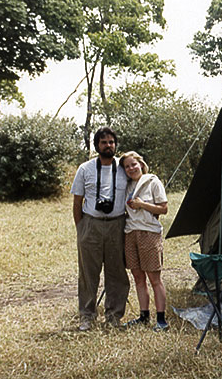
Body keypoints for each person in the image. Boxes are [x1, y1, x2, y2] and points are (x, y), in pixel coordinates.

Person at [71, 127, 130, 331]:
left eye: (112, 142)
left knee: (117, 272)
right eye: (104, 142)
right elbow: (77, 201)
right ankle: (86, 315)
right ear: (97, 145)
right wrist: (82, 229)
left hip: (117, 224)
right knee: (88, 273)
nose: (108, 145)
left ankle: (114, 316)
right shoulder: (85, 169)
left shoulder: (124, 168)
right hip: (91, 224)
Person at [119, 151, 169, 332]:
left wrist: (142, 205)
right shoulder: (126, 186)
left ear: (141, 164)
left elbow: (164, 209)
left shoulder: (152, 182)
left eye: (133, 164)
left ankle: (161, 319)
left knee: (154, 278)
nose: (131, 168)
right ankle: (144, 315)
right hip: (130, 234)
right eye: (127, 166)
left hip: (149, 233)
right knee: (138, 277)